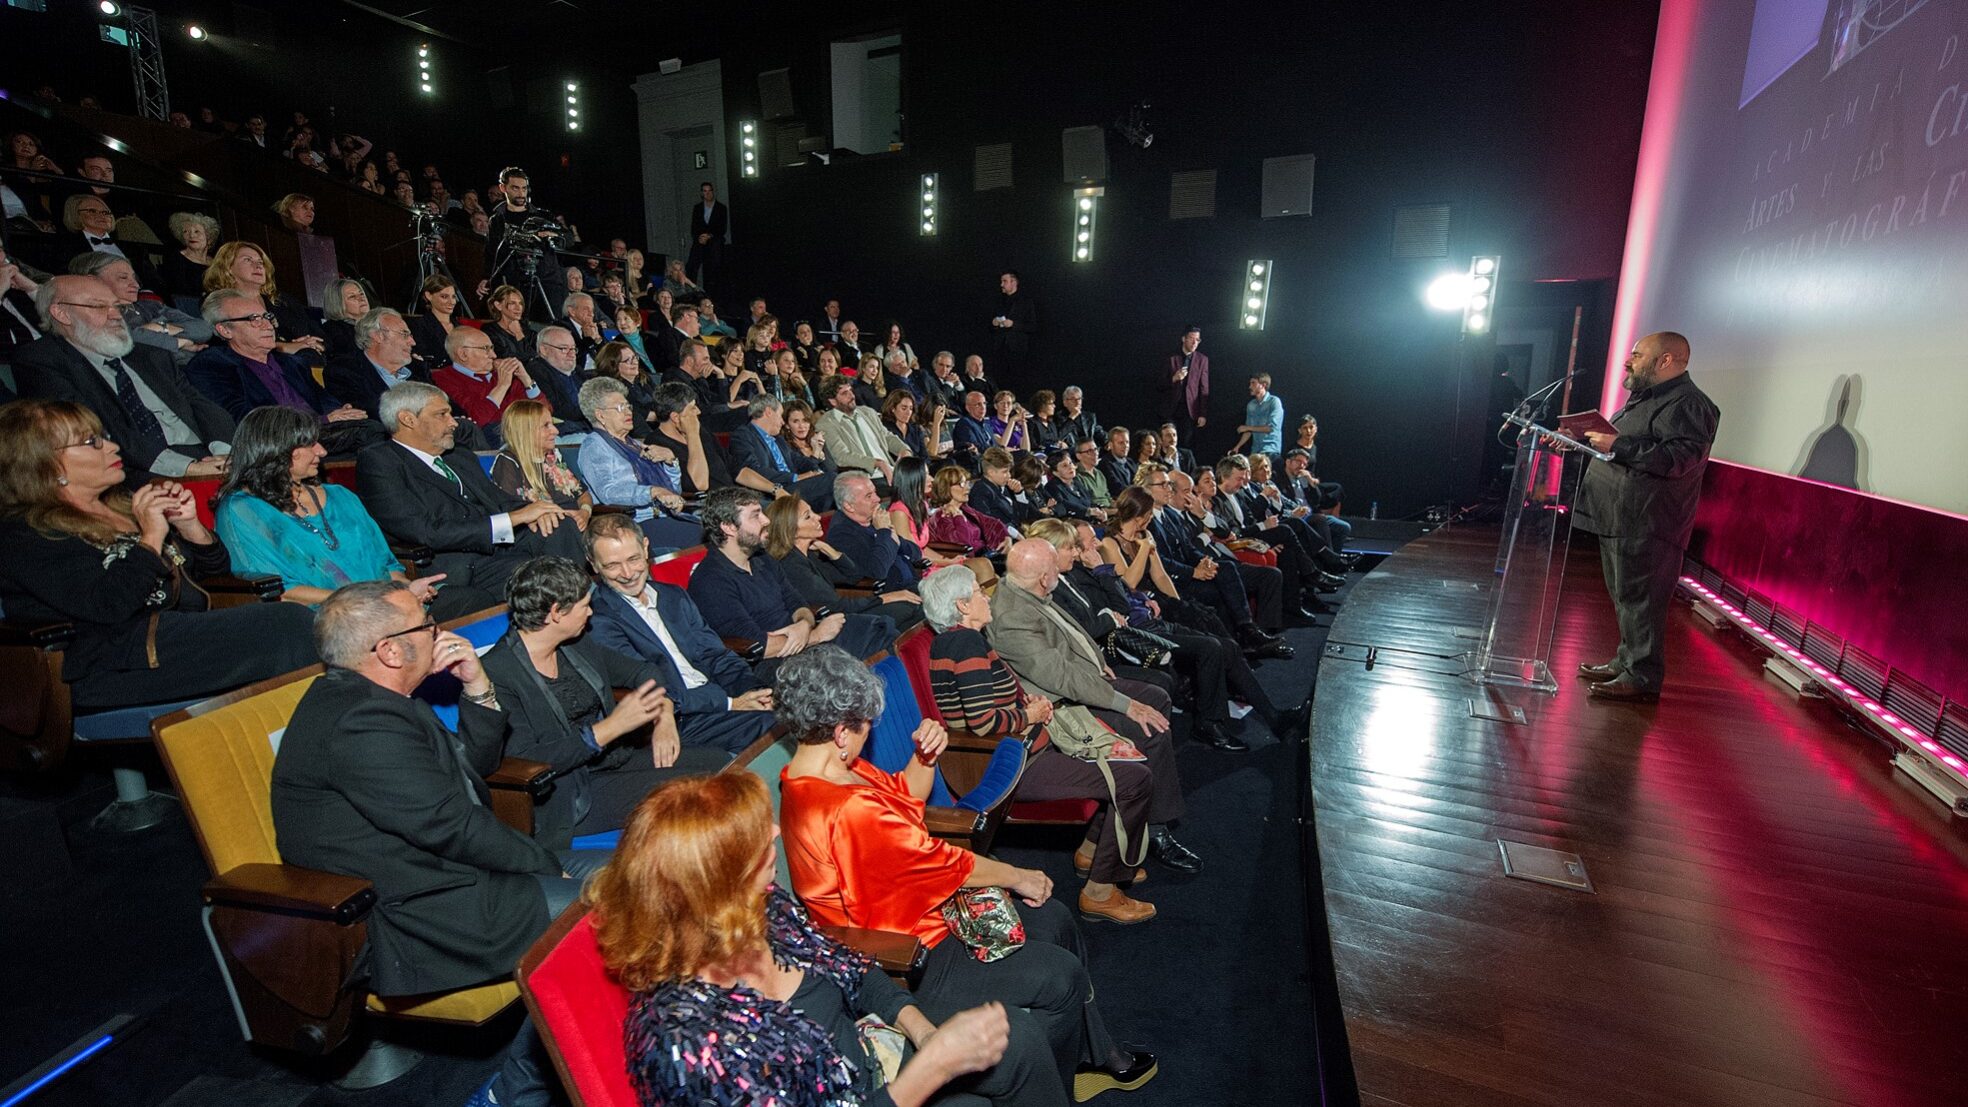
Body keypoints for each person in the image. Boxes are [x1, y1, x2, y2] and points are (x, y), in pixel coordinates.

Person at [272, 581, 606, 1107]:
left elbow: (474, 773)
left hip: (462, 868)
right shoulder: (361, 721)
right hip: (425, 908)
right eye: (425, 624)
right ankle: (512, 1092)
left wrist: (477, 688)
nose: (439, 630)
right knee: (616, 918)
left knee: (644, 870)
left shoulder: (380, 698)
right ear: (389, 650)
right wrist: (546, 867)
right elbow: (450, 825)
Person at [775, 646, 1159, 1101]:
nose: (867, 735)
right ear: (841, 732)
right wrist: (1015, 875)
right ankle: (1053, 1085)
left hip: (925, 912)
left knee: (1054, 919)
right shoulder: (841, 803)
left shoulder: (831, 773)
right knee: (1061, 975)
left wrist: (924, 756)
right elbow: (934, 863)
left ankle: (1090, 1057)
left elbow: (903, 805)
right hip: (909, 950)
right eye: (863, 727)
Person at [589, 773, 1028, 1107]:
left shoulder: (761, 908)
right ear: (715, 885)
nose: (776, 834)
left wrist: (923, 1030)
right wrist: (930, 1071)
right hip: (868, 1094)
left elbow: (850, 967)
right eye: (755, 838)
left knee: (1020, 1039)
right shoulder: (686, 1044)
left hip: (871, 1063)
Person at [0, 398, 316, 710]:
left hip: (174, 637)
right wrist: (151, 538)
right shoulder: (25, 535)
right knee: (288, 625)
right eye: (91, 442)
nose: (111, 448)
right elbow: (107, 605)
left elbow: (215, 575)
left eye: (105, 438)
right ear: (45, 463)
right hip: (112, 662)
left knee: (299, 626)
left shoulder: (124, 507)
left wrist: (190, 527)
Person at [919, 564, 1159, 924]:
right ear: (962, 606)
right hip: (1007, 763)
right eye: (980, 593)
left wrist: (1028, 705)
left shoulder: (962, 639)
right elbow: (983, 724)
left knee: (1125, 763)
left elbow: (989, 705)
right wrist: (1029, 716)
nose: (988, 598)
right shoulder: (965, 643)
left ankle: (1095, 852)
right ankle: (1101, 891)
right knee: (1135, 779)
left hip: (1015, 750)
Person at [481, 556, 731, 850]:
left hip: (614, 759)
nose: (591, 613)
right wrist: (608, 729)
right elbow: (527, 759)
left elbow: (645, 670)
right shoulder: (498, 673)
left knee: (725, 763)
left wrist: (663, 714)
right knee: (699, 791)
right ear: (556, 613)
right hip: (569, 791)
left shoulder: (576, 644)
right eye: (585, 606)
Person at [987, 540, 1200, 874]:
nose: (1060, 570)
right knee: (1148, 722)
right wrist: (1125, 705)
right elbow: (1059, 676)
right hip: (1059, 708)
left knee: (1157, 698)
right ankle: (1156, 829)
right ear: (1044, 577)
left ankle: (1138, 824)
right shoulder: (1013, 615)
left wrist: (1097, 665)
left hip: (1074, 686)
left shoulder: (1027, 591)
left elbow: (1070, 640)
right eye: (1055, 567)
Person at [214, 405, 499, 620]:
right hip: (326, 616)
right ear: (275, 450)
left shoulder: (340, 496)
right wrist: (369, 600)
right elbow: (279, 591)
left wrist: (405, 590)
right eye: (309, 444)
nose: (323, 451)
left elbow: (388, 565)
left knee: (477, 602)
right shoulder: (243, 510)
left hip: (382, 603)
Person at [1079, 503, 1308, 747]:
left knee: (1226, 645)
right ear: (1074, 548)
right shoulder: (1086, 573)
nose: (1098, 543)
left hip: (1150, 618)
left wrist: (1146, 599)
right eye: (1091, 540)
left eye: (1096, 538)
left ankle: (1274, 718)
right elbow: (1119, 604)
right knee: (1211, 647)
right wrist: (1106, 572)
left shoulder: (1099, 565)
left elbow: (1130, 590)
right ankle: (1209, 723)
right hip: (1136, 634)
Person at [1572, 331, 1719, 702]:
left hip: (1649, 522)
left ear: (1666, 361)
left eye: (1637, 355)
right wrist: (1579, 440)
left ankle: (1641, 676)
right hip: (1619, 516)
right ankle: (1626, 662)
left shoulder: (1689, 404)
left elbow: (1677, 460)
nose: (1628, 361)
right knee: (1625, 596)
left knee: (1642, 600)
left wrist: (1617, 443)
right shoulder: (1647, 400)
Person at [357, 380, 583, 594]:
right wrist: (514, 519)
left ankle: (578, 603)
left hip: (498, 548)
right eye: (441, 415)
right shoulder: (380, 462)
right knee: (539, 574)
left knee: (559, 524)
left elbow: (500, 500)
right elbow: (424, 531)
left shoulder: (459, 456)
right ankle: (570, 605)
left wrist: (540, 510)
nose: (454, 422)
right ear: (407, 419)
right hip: (457, 563)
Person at [583, 513, 780, 752]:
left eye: (633, 559)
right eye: (612, 565)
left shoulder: (673, 595)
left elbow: (715, 655)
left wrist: (753, 691)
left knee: (798, 705)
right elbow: (651, 688)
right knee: (776, 726)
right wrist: (731, 703)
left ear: (646, 548)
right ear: (593, 564)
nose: (627, 573)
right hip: (677, 718)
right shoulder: (599, 619)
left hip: (719, 696)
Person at [14, 275, 233, 480]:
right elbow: (88, 430)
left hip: (207, 455)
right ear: (61, 313)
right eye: (99, 306)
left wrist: (224, 453)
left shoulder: (150, 355)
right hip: (134, 466)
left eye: (117, 306)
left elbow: (201, 405)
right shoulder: (41, 361)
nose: (116, 314)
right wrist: (186, 468)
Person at [688, 487, 895, 676]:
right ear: (729, 528)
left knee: (880, 628)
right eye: (755, 515)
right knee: (873, 640)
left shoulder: (763, 559)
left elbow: (799, 604)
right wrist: (815, 636)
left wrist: (804, 625)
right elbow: (758, 645)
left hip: (801, 644)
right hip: (774, 665)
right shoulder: (710, 581)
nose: (766, 520)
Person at [188, 289, 383, 455]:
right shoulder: (212, 365)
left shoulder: (291, 363)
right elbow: (243, 420)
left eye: (267, 317)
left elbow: (323, 399)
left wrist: (341, 411)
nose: (268, 325)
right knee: (373, 433)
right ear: (225, 330)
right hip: (275, 443)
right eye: (253, 319)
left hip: (321, 433)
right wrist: (323, 419)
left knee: (379, 425)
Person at [1152, 469, 1293, 651]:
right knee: (1226, 577)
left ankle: (1259, 634)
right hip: (1188, 575)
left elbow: (1224, 532)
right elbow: (1172, 556)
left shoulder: (1180, 514)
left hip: (1213, 563)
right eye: (1187, 491)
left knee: (1269, 574)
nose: (1193, 496)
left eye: (1192, 491)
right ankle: (1248, 635)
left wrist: (1203, 515)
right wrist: (1204, 545)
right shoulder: (1165, 515)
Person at [573, 377, 701, 552]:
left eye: (628, 406)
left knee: (717, 529)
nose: (628, 412)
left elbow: (674, 492)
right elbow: (608, 492)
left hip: (665, 516)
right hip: (632, 524)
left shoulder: (635, 444)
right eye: (620, 408)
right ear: (600, 415)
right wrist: (652, 492)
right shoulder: (594, 446)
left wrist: (671, 462)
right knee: (706, 536)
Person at [764, 493, 926, 631]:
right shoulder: (791, 564)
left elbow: (854, 577)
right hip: (832, 623)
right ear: (791, 531)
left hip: (845, 612)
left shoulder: (811, 554)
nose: (818, 517)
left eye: (813, 512)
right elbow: (836, 605)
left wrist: (831, 551)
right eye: (808, 516)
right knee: (909, 608)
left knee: (917, 606)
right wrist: (886, 597)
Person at [200, 241, 326, 368]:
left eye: (261, 262)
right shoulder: (217, 302)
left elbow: (319, 336)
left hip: (304, 360)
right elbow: (222, 345)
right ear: (227, 267)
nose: (258, 266)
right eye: (248, 260)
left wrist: (311, 343)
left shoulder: (283, 301)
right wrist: (283, 346)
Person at [490, 399, 592, 530]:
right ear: (525, 431)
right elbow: (512, 511)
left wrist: (584, 512)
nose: (555, 431)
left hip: (571, 528)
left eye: (552, 424)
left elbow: (583, 494)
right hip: (543, 534)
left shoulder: (552, 457)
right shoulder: (508, 461)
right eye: (546, 425)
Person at [483, 166, 568, 323]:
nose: (521, 193)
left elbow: (567, 239)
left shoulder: (543, 215)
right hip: (514, 281)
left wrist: (552, 235)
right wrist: (487, 277)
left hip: (547, 280)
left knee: (549, 327)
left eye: (524, 188)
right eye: (515, 188)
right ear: (503, 188)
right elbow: (492, 251)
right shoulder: (497, 220)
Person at [434, 325, 540, 445]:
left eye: (492, 348)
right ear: (463, 354)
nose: (494, 355)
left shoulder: (501, 374)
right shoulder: (444, 379)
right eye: (486, 348)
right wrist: (502, 386)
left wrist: (526, 380)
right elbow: (476, 420)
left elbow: (544, 411)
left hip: (526, 433)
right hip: (495, 440)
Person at [728, 393, 835, 509]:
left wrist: (815, 466)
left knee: (838, 479)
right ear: (769, 412)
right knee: (832, 480)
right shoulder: (743, 435)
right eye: (780, 416)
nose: (783, 422)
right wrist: (795, 477)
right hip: (774, 492)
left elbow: (798, 461)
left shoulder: (778, 439)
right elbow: (752, 470)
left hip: (794, 486)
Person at [826, 471, 925, 592]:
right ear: (849, 506)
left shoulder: (874, 520)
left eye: (875, 492)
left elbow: (915, 553)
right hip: (891, 594)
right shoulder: (841, 533)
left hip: (914, 584)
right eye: (868, 496)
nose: (877, 499)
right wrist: (884, 532)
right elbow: (877, 572)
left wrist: (893, 537)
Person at [815, 374, 910, 486]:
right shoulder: (826, 423)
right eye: (845, 393)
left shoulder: (868, 412)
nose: (852, 396)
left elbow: (887, 437)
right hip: (864, 479)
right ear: (832, 401)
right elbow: (842, 456)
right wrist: (877, 463)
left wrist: (903, 450)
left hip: (890, 471)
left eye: (851, 390)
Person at [645, 380, 735, 496]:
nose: (698, 411)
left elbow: (732, 466)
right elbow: (700, 484)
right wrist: (692, 434)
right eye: (693, 408)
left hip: (733, 497)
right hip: (707, 506)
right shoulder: (656, 443)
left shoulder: (702, 432)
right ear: (675, 417)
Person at [926, 465, 1012, 556]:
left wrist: (1006, 537)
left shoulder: (966, 509)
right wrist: (958, 517)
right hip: (969, 563)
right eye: (962, 484)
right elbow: (962, 546)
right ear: (946, 487)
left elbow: (992, 523)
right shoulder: (942, 517)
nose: (968, 488)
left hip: (987, 554)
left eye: (968, 483)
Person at [525, 324, 588, 430]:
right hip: (562, 431)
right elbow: (558, 410)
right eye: (564, 348)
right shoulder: (536, 371)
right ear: (544, 350)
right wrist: (594, 410)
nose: (571, 354)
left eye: (573, 349)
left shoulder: (577, 370)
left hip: (587, 426)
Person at [160, 212, 220, 304]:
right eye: (186, 232)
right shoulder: (176, 259)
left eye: (197, 231)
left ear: (209, 237)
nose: (191, 236)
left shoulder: (217, 262)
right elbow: (178, 293)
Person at [988, 270, 1037, 380]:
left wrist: (1013, 324)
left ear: (1013, 282)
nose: (1002, 285)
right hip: (999, 349)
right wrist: (994, 323)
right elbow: (990, 324)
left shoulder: (1025, 302)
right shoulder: (998, 301)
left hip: (1017, 351)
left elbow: (1032, 326)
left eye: (1004, 281)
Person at [1163, 325, 1209, 441]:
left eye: (1197, 340)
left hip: (1189, 410)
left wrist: (1203, 413)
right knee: (1168, 441)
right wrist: (1174, 379)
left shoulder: (1202, 359)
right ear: (1184, 339)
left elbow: (1204, 388)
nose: (1194, 342)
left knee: (1185, 443)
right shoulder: (1171, 357)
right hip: (1171, 408)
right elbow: (1158, 383)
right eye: (1191, 338)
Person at [408, 275, 463, 371]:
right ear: (428, 295)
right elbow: (423, 358)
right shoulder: (419, 325)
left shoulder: (460, 326)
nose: (452, 302)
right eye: (444, 297)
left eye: (453, 297)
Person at [881, 387, 941, 463]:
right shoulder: (885, 428)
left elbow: (925, 456)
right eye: (904, 408)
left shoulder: (915, 428)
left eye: (911, 408)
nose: (908, 412)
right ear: (893, 408)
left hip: (920, 468)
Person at [1234, 372, 1285, 459]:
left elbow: (1271, 428)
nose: (1250, 387)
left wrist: (1248, 428)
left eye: (1253, 383)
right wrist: (1237, 447)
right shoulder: (1251, 405)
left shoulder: (1274, 401)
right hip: (1256, 450)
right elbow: (1248, 430)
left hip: (1270, 450)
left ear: (1263, 385)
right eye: (1250, 383)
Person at [685, 181, 727, 288]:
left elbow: (722, 228)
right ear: (701, 193)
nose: (707, 193)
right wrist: (700, 237)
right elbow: (694, 227)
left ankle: (714, 289)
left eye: (709, 191)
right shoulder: (697, 208)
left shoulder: (721, 208)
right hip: (700, 240)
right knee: (691, 265)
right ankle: (691, 289)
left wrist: (709, 235)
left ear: (713, 192)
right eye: (705, 191)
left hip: (714, 240)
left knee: (714, 265)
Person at [318, 278, 369, 362]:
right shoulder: (333, 329)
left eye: (361, 294)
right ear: (337, 303)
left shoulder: (379, 322)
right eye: (352, 296)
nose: (361, 298)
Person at [484, 284, 533, 362]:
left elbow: (536, 359)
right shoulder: (490, 330)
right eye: (512, 303)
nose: (518, 308)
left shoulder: (528, 330)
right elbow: (507, 358)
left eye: (520, 303)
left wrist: (519, 333)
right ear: (498, 305)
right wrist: (518, 334)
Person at [1098, 426, 1135, 492]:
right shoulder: (1105, 464)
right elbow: (1116, 487)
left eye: (1127, 442)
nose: (1125, 446)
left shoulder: (1130, 462)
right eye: (1121, 443)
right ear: (1111, 445)